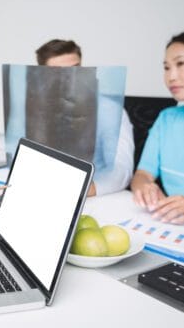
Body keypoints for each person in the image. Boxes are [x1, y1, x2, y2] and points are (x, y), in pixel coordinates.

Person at [35, 39, 134, 196]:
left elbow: (122, 169)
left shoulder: (110, 109)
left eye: (76, 69)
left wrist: (88, 189)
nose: (71, 79)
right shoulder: (36, 111)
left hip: (97, 197)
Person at [131, 33, 184, 225]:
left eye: (181, 64)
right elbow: (142, 174)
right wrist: (146, 188)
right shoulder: (166, 118)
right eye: (166, 67)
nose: (172, 76)